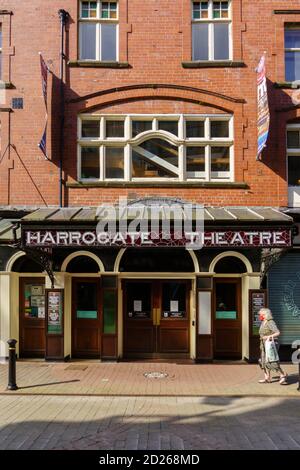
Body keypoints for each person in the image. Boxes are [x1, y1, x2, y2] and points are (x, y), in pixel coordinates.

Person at [258, 308, 288, 384]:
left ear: (265, 314)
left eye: (261, 314)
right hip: (263, 344)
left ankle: (283, 374)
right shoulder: (263, 322)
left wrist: (268, 337)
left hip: (270, 345)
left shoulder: (270, 322)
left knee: (272, 361)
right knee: (263, 361)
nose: (260, 315)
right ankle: (267, 378)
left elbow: (278, 332)